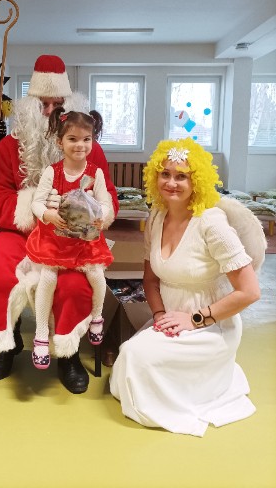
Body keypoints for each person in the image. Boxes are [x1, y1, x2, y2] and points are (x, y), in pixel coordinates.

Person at [0, 54, 118, 393]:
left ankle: (67, 353)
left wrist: (92, 212)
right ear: (30, 105)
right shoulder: (9, 146)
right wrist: (34, 209)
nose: (50, 111)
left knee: (74, 287)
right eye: (44, 104)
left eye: (58, 104)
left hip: (72, 239)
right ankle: (6, 343)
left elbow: (107, 195)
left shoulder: (88, 149)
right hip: (19, 233)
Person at [110, 137, 265, 436]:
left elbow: (250, 292)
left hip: (212, 326)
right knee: (129, 356)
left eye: (182, 176)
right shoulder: (156, 217)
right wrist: (158, 315)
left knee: (135, 357)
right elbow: (150, 279)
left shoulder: (212, 223)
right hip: (170, 319)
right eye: (165, 174)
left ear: (197, 181)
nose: (171, 183)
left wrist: (194, 319)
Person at [26, 109, 114, 369]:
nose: (80, 145)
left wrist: (102, 216)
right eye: (73, 139)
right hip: (55, 240)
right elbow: (36, 202)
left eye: (86, 139)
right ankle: (41, 334)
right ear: (60, 142)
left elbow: (105, 202)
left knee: (96, 275)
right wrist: (48, 215)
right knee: (48, 278)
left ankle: (97, 317)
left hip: (85, 241)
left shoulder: (96, 173)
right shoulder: (52, 172)